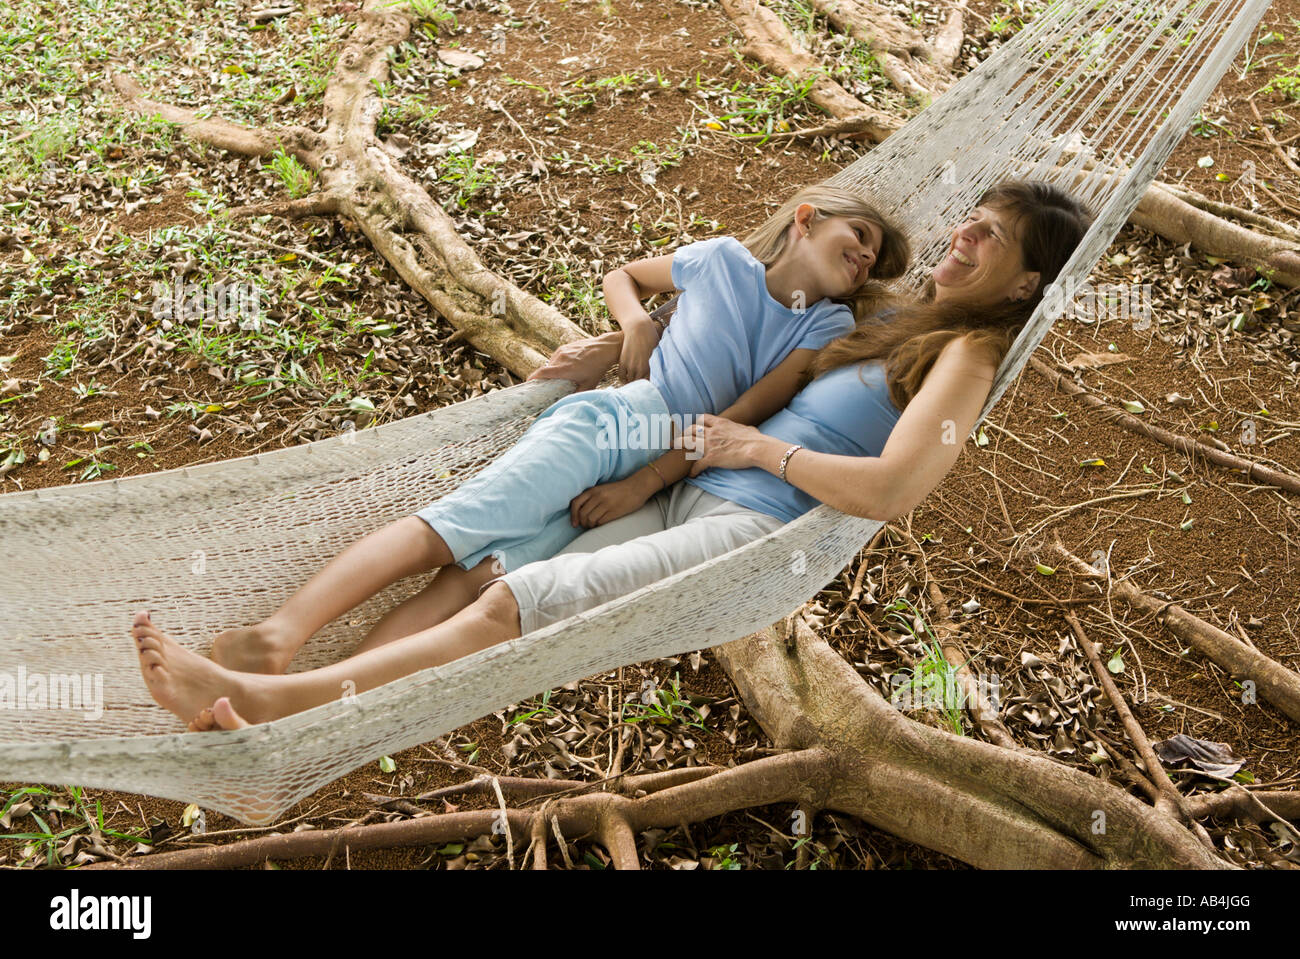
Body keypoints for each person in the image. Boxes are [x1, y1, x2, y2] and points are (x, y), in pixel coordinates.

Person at [132, 180, 1091, 730]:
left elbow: (893, 488)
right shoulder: (896, 315)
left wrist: (756, 450)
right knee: (500, 568)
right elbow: (747, 329)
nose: (961, 237)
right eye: (968, 220)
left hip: (742, 522)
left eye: (990, 237)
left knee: (521, 602)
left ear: (1027, 284)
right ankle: (287, 692)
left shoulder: (970, 354)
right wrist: (610, 343)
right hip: (679, 470)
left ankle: (273, 697)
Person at [177, 186, 908, 678]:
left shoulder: (826, 324)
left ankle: (325, 696)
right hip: (617, 422)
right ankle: (282, 636)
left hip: (649, 484)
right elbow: (625, 275)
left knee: (474, 579)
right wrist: (631, 328)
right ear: (807, 218)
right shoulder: (717, 259)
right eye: (861, 235)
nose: (867, 256)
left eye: (875, 256)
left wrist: (643, 485)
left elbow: (738, 421)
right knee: (448, 529)